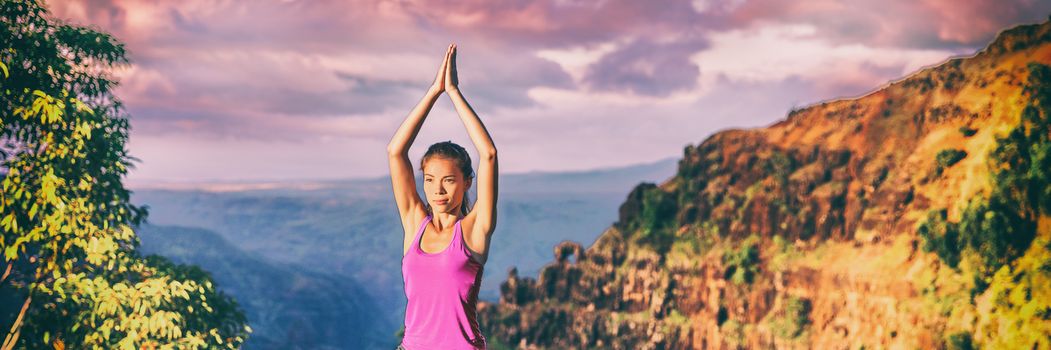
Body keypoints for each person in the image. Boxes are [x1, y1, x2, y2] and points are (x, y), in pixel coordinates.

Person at [387, 43, 498, 350]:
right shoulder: (414, 224)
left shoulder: (474, 230)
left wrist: (454, 92)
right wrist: (434, 91)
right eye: (430, 179)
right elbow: (396, 151)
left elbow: (488, 154)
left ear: (466, 183)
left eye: (449, 180)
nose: (437, 190)